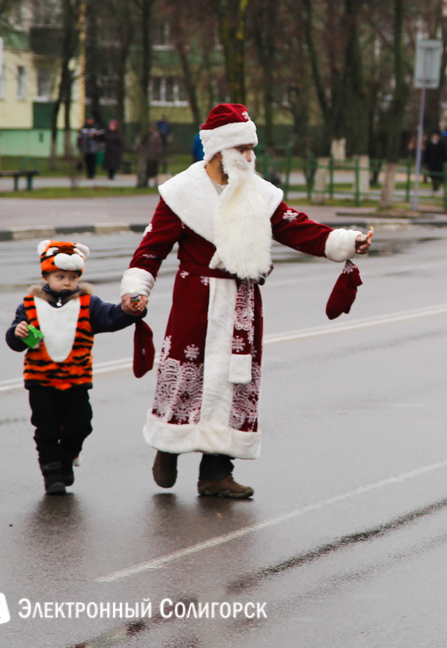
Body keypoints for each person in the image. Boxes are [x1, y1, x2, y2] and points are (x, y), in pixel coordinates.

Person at [120, 104, 372, 499]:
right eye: (243, 148)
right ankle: (168, 447)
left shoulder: (260, 194)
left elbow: (298, 229)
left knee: (234, 382)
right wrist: (137, 290)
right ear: (220, 150)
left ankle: (217, 473)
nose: (251, 157)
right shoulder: (180, 194)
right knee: (187, 376)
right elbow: (151, 250)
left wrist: (347, 241)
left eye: (252, 148)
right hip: (195, 302)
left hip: (242, 304)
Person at [6, 241, 145, 494]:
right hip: (41, 381)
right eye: (60, 277)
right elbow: (15, 340)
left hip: (76, 380)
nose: (67, 282)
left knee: (81, 425)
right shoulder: (29, 305)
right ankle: (52, 476)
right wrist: (16, 332)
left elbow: (111, 317)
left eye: (72, 277)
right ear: (46, 276)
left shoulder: (88, 304)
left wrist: (130, 311)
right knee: (46, 429)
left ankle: (67, 457)